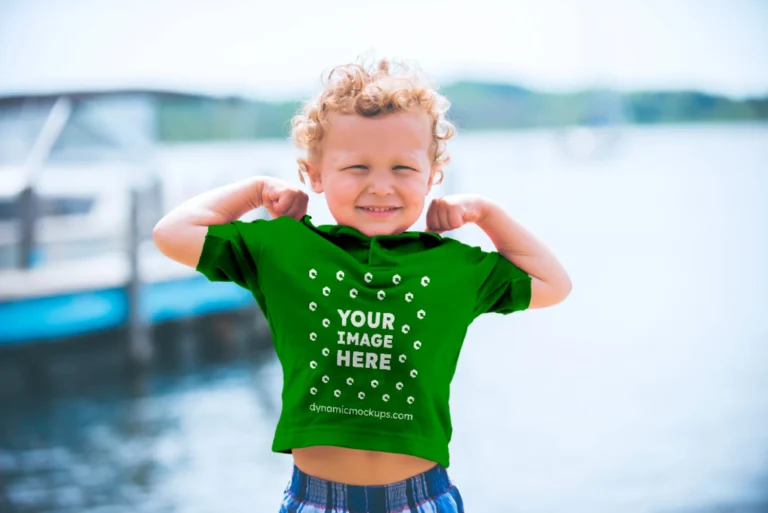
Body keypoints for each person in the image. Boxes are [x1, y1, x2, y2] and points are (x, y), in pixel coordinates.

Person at [153, 57, 572, 513]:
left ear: (432, 176)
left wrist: (486, 214)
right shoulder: (283, 249)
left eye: (402, 169)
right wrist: (254, 192)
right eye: (356, 167)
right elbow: (171, 234)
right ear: (314, 175)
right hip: (316, 500)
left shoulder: (454, 265)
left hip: (421, 498)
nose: (380, 186)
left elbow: (553, 284)